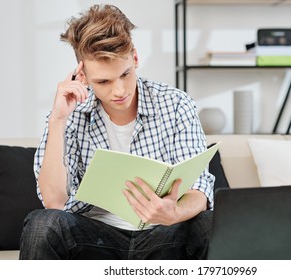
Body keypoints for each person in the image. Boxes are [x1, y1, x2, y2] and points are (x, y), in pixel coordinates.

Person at [19, 4, 215, 260]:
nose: (119, 90)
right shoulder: (69, 114)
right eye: (103, 81)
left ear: (135, 58)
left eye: (125, 74)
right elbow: (54, 203)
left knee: (211, 224)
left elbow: (199, 190)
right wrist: (58, 119)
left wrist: (174, 213)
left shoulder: (176, 104)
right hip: (94, 238)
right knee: (42, 224)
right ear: (83, 75)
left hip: (164, 233)